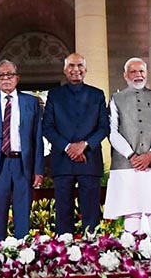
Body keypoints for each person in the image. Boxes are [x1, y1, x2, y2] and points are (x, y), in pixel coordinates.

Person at [104, 57, 151, 234]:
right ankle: (132, 257)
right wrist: (131, 155)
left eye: (141, 71)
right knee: (131, 213)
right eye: (133, 72)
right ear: (125, 75)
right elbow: (112, 131)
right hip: (126, 165)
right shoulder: (116, 99)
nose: (138, 75)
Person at [0, 60, 44, 241]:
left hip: (23, 166)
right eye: (1, 76)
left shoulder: (31, 103)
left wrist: (38, 170)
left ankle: (23, 260)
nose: (6, 79)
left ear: (17, 78)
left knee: (23, 218)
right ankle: (0, 260)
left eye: (10, 75)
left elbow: (37, 139)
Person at [42, 53, 110, 235]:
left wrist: (84, 145)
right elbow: (47, 127)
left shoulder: (97, 94)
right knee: (63, 214)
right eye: (71, 66)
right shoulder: (54, 95)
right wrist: (68, 147)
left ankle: (92, 255)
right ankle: (64, 256)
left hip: (89, 160)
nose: (75, 69)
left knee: (91, 214)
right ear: (65, 70)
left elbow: (104, 127)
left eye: (80, 65)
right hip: (63, 161)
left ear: (85, 70)